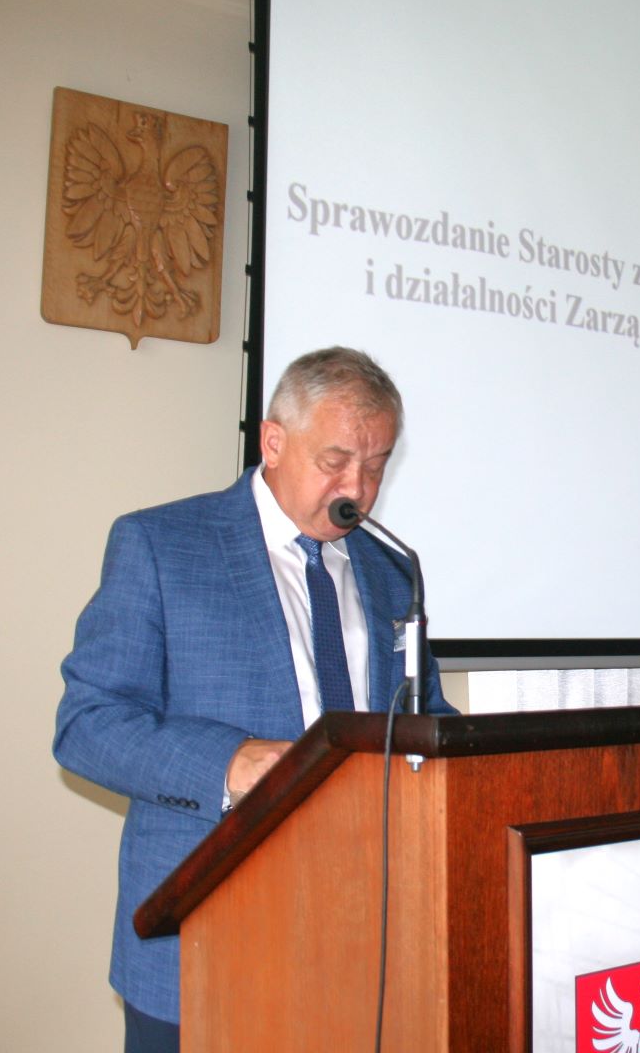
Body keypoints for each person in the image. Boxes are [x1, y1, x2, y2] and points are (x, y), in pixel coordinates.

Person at [53, 346, 453, 1053]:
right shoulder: (161, 544)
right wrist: (230, 764)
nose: (358, 488)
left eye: (377, 464)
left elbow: (427, 720)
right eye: (335, 461)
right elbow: (88, 724)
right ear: (273, 442)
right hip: (207, 933)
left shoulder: (392, 572)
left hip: (364, 937)